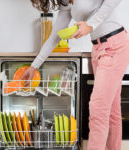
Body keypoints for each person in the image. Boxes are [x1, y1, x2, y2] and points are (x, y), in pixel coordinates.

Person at [22, 0, 129, 149]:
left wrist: (90, 24)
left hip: (115, 45)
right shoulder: (65, 3)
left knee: (98, 110)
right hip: (98, 50)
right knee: (112, 112)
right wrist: (34, 66)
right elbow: (55, 36)